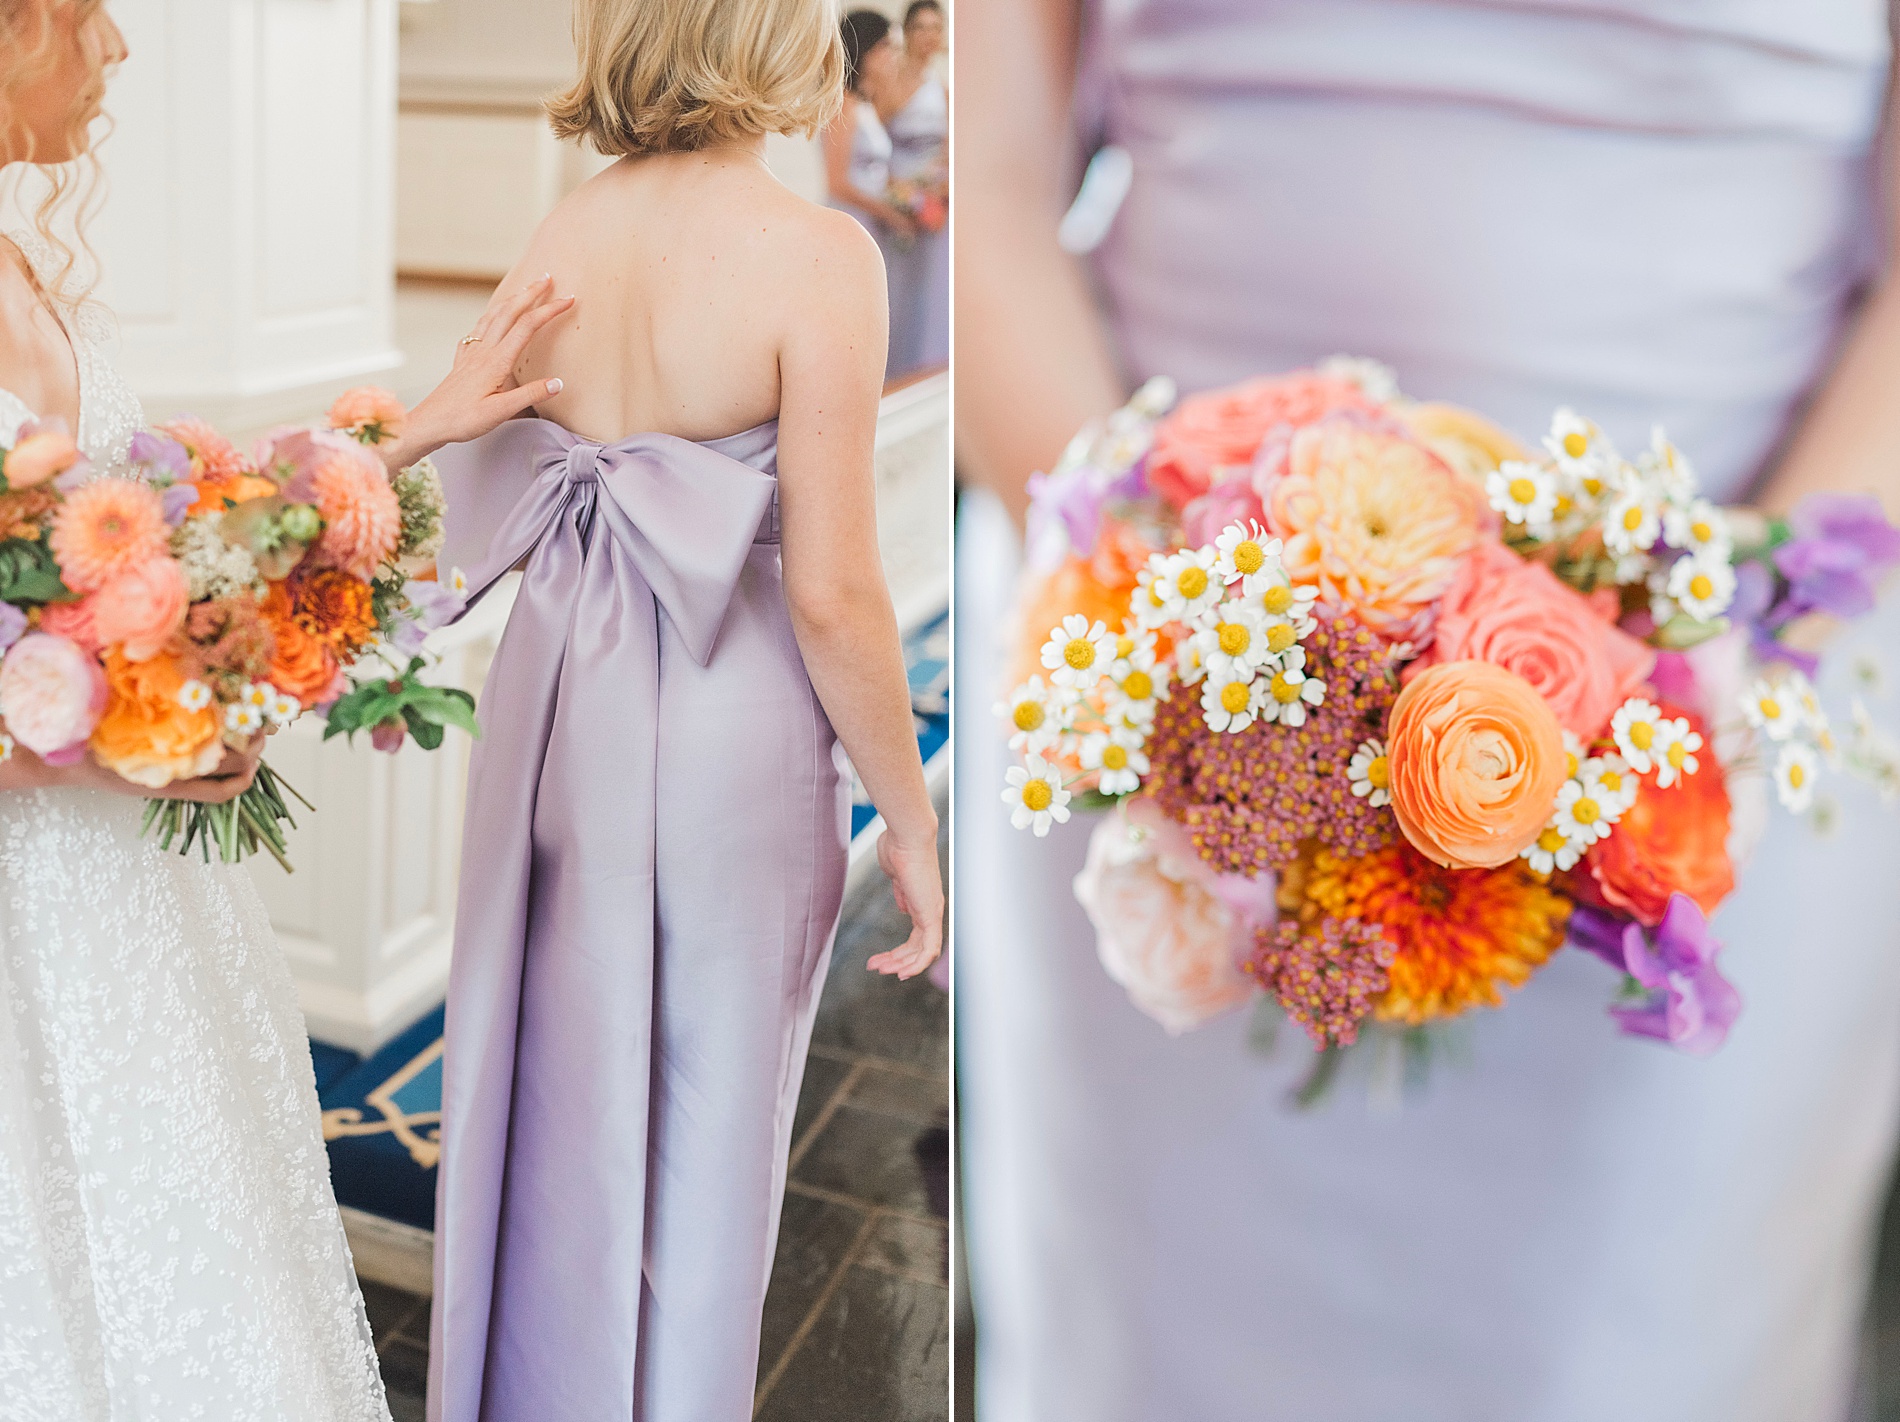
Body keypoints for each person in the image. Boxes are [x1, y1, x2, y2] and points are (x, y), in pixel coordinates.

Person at [955, 2, 1900, 1420]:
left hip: (1726, 708)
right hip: (1176, 701)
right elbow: (986, 178)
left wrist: (1677, 690)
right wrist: (1196, 668)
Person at [0, 1, 564, 1416]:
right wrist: (103, 756)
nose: (121, 49)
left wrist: (415, 427)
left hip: (140, 900)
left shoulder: (19, 255)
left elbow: (185, 517)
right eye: (96, 14)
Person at [414, 0, 945, 1417]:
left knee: (563, 1094)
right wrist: (912, 812)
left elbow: (473, 489)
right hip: (733, 718)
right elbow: (834, 592)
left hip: (556, 700)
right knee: (710, 1126)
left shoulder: (567, 229)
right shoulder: (820, 253)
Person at [824, 8, 915, 378]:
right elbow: (838, 182)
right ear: (866, 51)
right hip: (854, 222)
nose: (894, 57)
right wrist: (892, 213)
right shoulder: (841, 105)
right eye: (887, 48)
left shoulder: (866, 105)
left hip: (875, 223)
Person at [882, 0, 949, 371]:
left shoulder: (943, 89)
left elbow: (948, 151)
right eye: (921, 27)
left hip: (933, 204)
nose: (929, 36)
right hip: (894, 198)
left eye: (936, 28)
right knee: (896, 290)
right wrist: (901, 192)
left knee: (930, 292)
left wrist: (939, 187)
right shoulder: (891, 83)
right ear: (907, 33)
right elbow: (874, 138)